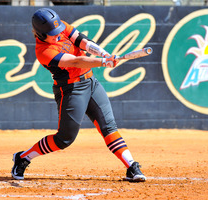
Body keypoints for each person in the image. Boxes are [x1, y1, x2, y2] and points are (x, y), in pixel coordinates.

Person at [11, 8, 146, 182]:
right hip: (71, 90)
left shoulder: (59, 27)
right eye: (53, 34)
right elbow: (76, 61)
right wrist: (104, 62)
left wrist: (103, 53)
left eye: (58, 31)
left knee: (109, 127)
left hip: (91, 83)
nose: (58, 35)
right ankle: (23, 157)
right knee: (64, 139)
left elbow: (83, 41)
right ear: (40, 34)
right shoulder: (44, 52)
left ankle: (131, 166)